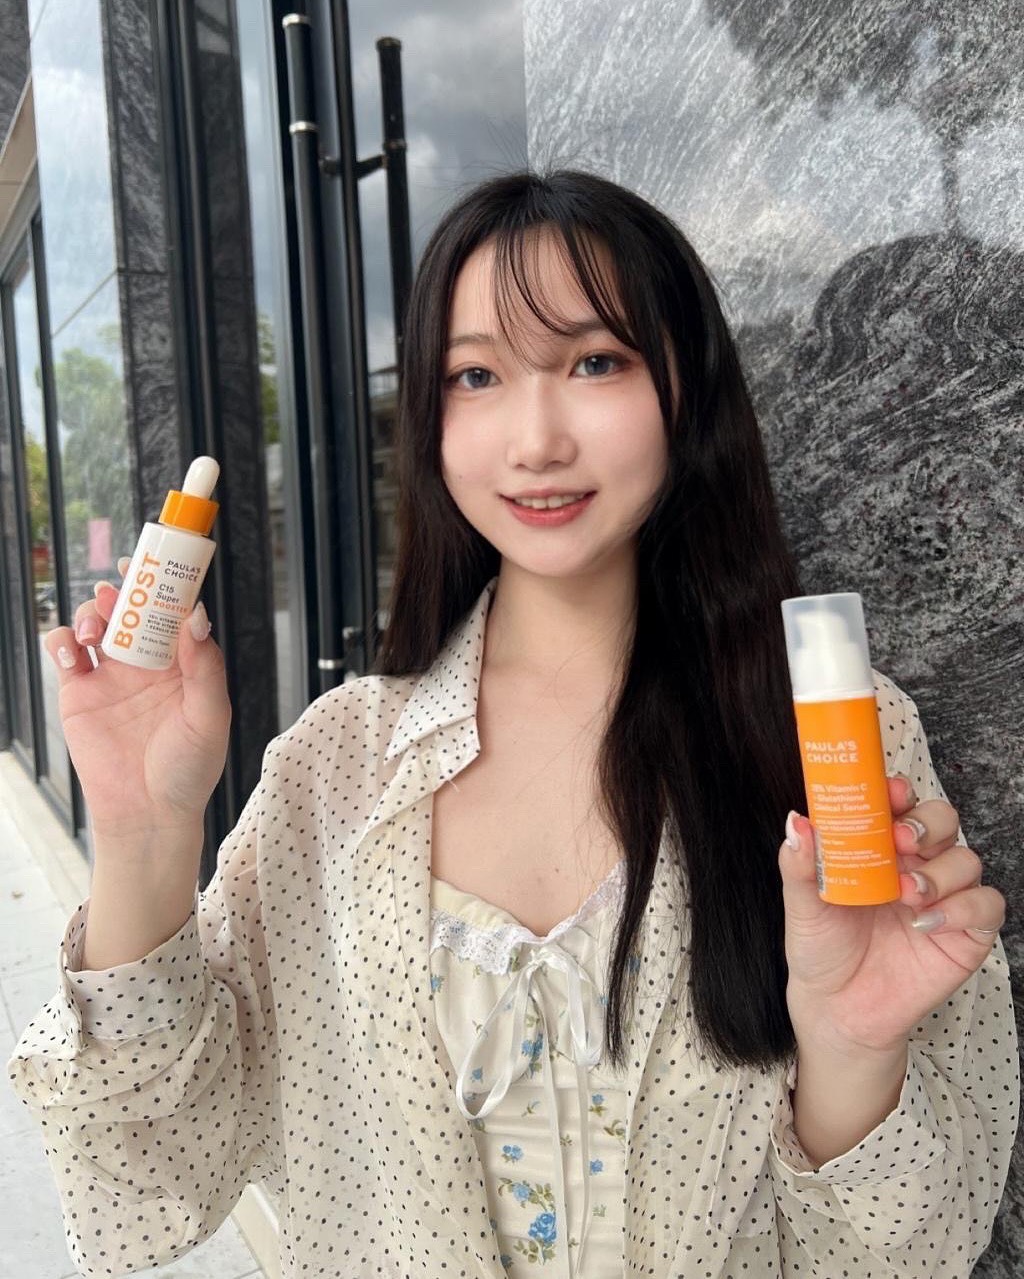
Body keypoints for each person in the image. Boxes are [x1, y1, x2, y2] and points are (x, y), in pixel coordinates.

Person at [8, 170, 1017, 1279]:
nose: (535, 441)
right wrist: (143, 829)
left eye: (595, 361)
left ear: (685, 389)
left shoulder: (834, 741)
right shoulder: (337, 766)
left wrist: (851, 1050)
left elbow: (906, 1249)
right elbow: (149, 1175)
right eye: (476, 375)